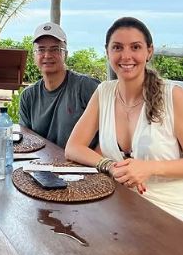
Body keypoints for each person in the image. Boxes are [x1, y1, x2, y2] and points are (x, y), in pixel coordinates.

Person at [66, 17, 183, 221]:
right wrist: (109, 165)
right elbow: (73, 147)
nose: (126, 56)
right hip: (119, 207)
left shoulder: (172, 96)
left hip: (169, 212)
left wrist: (150, 168)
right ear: (107, 52)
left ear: (149, 51)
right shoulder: (104, 92)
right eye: (117, 47)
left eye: (135, 47)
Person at [19, 22, 99, 148]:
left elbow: (109, 134)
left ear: (65, 54)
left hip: (82, 165)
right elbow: (26, 140)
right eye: (41, 50)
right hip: (41, 165)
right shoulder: (28, 96)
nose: (47, 55)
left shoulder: (86, 87)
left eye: (55, 49)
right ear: (34, 55)